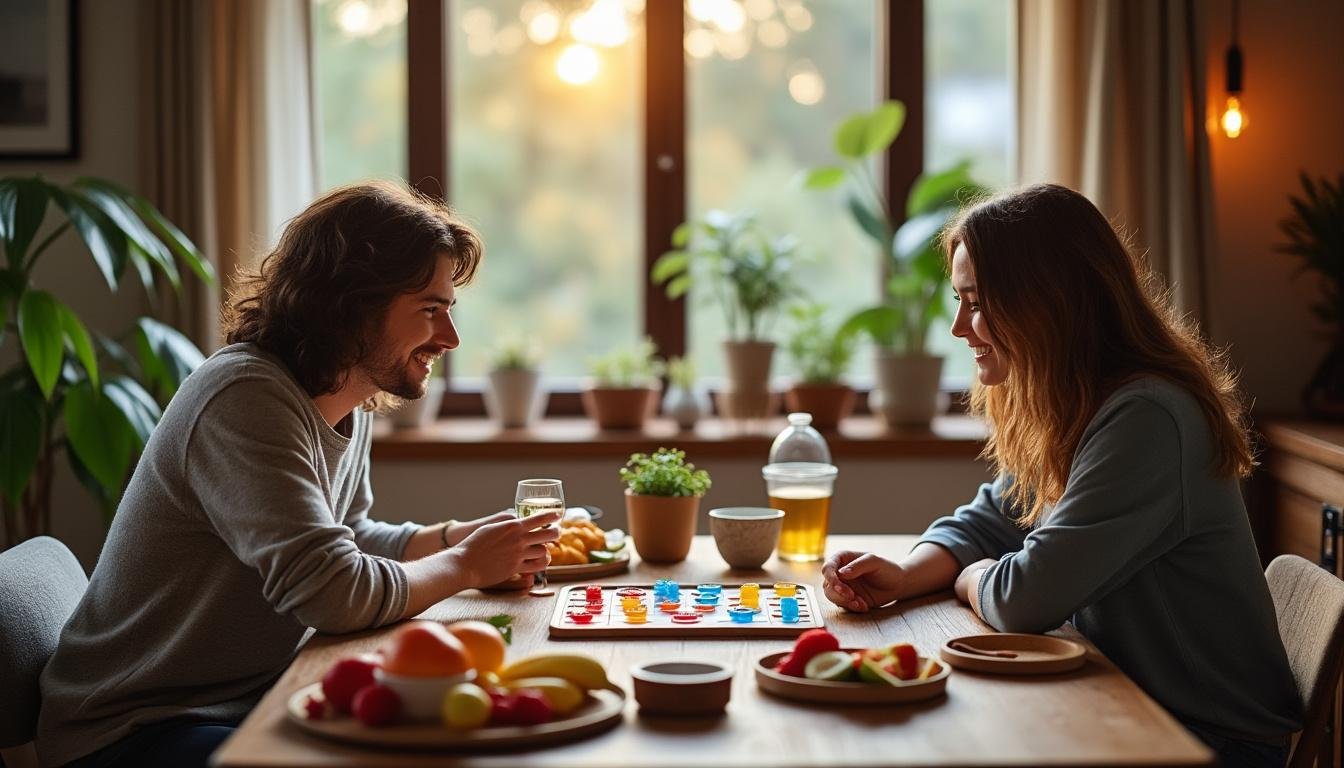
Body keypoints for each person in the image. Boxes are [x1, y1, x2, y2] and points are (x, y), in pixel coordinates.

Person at [37, 182, 558, 767]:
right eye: (430, 311)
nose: (450, 339)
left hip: (245, 699)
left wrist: (450, 538)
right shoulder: (244, 397)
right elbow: (332, 592)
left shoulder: (345, 399)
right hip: (135, 729)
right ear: (353, 305)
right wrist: (465, 566)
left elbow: (349, 535)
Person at [821, 183, 1302, 768]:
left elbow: (1025, 597)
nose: (958, 328)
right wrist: (905, 573)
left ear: (1044, 301)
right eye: (959, 299)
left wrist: (970, 578)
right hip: (1130, 701)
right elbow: (992, 517)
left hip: (1208, 740)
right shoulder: (1078, 400)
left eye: (975, 302)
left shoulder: (1147, 417)